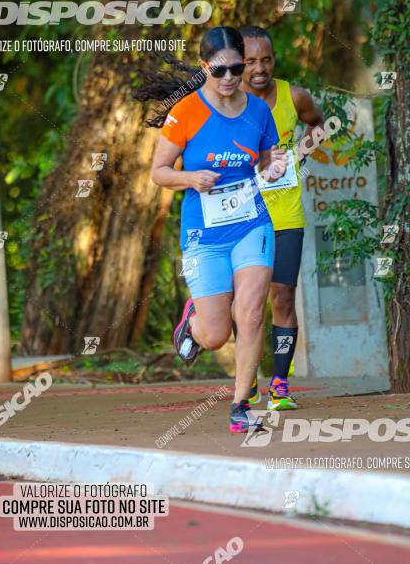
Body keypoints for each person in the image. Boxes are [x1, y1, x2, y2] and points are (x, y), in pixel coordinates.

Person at [139, 26, 287, 434]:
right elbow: (159, 173)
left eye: (236, 69)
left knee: (254, 311)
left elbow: (266, 159)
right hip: (204, 233)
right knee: (217, 335)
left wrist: (273, 166)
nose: (228, 79)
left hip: (251, 223)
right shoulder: (185, 112)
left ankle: (241, 406)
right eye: (219, 71)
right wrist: (190, 179)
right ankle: (194, 319)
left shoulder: (258, 111)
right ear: (204, 67)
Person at [239, 25, 325, 411]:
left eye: (266, 59)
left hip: (286, 212)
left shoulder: (294, 96)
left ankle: (280, 384)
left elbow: (319, 125)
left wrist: (299, 155)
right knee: (242, 302)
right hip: (241, 216)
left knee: (283, 297)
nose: (260, 68)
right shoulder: (228, 102)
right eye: (251, 61)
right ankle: (248, 378)